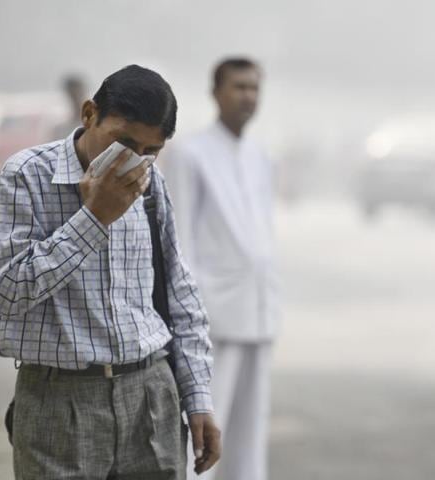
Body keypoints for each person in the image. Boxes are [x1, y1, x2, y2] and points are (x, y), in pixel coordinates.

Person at [0, 64, 220, 479]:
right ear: (89, 114)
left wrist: (197, 397)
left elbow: (179, 292)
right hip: (60, 400)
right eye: (123, 142)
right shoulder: (26, 176)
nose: (134, 160)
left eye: (150, 150)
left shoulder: (152, 184)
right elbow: (8, 291)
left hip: (151, 396)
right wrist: (93, 219)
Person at [162, 57, 280, 480]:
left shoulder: (260, 156)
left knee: (250, 435)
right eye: (239, 87)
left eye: (254, 87)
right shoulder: (190, 154)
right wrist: (187, 316)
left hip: (258, 309)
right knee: (206, 434)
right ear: (216, 92)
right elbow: (180, 244)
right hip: (212, 317)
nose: (248, 95)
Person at [51, 74, 87, 140]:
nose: (76, 98)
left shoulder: (97, 125)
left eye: (78, 93)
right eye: (72, 94)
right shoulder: (60, 129)